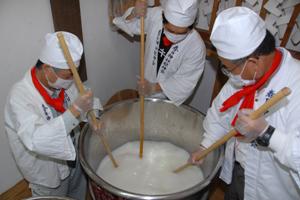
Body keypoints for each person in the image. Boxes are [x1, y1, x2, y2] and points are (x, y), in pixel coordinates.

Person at [190, 7, 300, 200]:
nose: (228, 73)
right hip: (240, 172)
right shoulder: (245, 78)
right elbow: (219, 114)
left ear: (253, 63)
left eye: (228, 68)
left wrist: (267, 133)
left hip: (274, 190)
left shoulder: (296, 85)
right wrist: (205, 146)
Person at [4, 31, 102, 199]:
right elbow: (36, 139)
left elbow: (88, 99)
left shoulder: (64, 81)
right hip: (47, 173)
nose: (72, 79)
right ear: (48, 69)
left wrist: (94, 114)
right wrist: (74, 111)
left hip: (75, 157)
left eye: (74, 73)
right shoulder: (19, 98)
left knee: (77, 195)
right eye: (68, 75)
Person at [113, 0, 206, 106]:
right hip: (144, 91)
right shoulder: (156, 16)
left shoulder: (196, 47)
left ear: (191, 27)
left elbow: (185, 82)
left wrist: (153, 87)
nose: (174, 36)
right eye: (170, 30)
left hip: (168, 99)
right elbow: (127, 25)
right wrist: (135, 12)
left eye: (181, 33)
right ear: (163, 17)